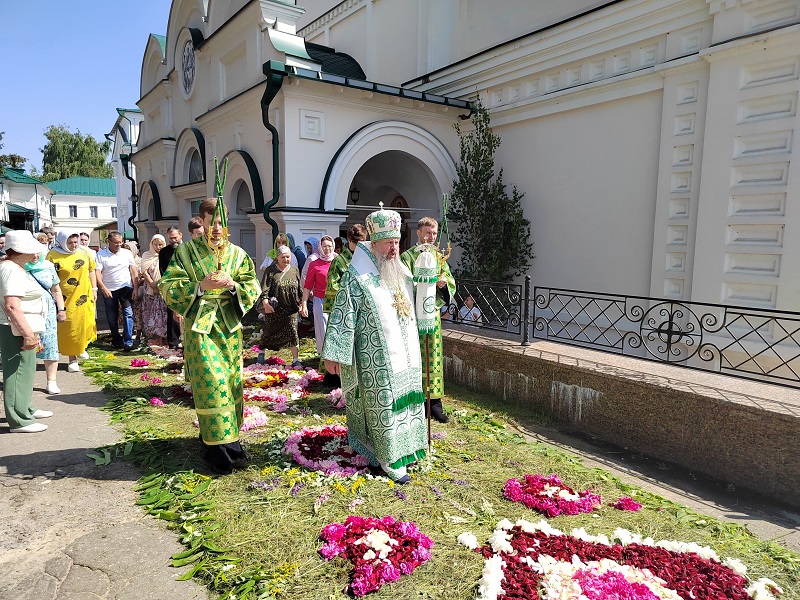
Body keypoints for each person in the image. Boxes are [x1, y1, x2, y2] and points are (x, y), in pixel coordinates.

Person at [322, 205, 427, 483]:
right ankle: (388, 458)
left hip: (406, 355)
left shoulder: (401, 272)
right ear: (374, 242)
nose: (394, 248)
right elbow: (342, 314)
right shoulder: (357, 278)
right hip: (375, 359)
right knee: (384, 405)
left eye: (396, 242)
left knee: (407, 400)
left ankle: (409, 448)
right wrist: (334, 354)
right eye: (388, 243)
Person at [159, 198, 260, 474]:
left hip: (228, 329)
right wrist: (200, 286)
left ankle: (231, 440)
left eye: (222, 223)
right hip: (200, 329)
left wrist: (233, 286)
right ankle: (216, 448)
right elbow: (167, 284)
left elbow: (252, 285)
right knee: (211, 385)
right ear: (201, 222)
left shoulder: (238, 254)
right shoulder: (187, 252)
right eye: (211, 222)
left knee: (229, 382)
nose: (217, 228)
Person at [400, 216, 456, 424]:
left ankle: (435, 404)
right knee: (414, 358)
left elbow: (450, 281)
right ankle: (415, 402)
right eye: (427, 233)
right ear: (418, 232)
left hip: (432, 316)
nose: (431, 237)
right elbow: (402, 283)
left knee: (433, 358)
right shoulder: (407, 257)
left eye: (434, 233)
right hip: (413, 317)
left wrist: (443, 285)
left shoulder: (439, 257)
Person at [0, 231, 53, 433]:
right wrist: (28, 334)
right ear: (19, 250)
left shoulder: (14, 267)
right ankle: (19, 420)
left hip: (22, 327)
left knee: (26, 371)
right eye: (31, 250)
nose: (35, 254)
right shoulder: (11, 269)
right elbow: (12, 306)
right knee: (17, 372)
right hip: (15, 329)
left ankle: (25, 408)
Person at [47, 231, 98, 370]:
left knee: (85, 322)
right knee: (69, 326)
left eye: (76, 242)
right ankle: (72, 358)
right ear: (63, 242)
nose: (74, 245)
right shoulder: (53, 255)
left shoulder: (84, 252)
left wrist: (94, 289)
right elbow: (49, 277)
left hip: (83, 295)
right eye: (70, 243)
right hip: (64, 297)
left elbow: (92, 270)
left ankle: (81, 348)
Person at [25, 251, 66, 394]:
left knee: (50, 344)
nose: (35, 256)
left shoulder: (48, 266)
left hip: (47, 311)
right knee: (29, 344)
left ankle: (51, 381)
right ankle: (25, 381)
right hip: (27, 311)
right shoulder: (19, 267)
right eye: (31, 253)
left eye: (37, 253)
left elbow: (56, 290)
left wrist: (61, 310)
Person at [260, 245, 304, 368]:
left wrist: (301, 302)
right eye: (283, 257)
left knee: (293, 332)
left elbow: (299, 287)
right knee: (269, 331)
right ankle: (261, 353)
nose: (286, 259)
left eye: (288, 257)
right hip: (275, 308)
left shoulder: (294, 270)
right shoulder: (271, 270)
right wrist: (266, 304)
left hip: (291, 308)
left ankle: (295, 360)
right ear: (277, 258)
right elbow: (264, 289)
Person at [96, 231, 138, 351]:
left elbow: (133, 271)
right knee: (111, 316)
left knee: (128, 314)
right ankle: (116, 338)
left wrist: (135, 288)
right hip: (109, 288)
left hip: (125, 287)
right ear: (109, 242)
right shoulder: (101, 255)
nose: (118, 245)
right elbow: (97, 274)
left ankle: (128, 340)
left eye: (120, 242)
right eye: (115, 243)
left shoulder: (127, 253)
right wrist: (103, 288)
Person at [300, 236, 337, 359]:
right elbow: (307, 285)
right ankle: (325, 358)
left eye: (329, 246)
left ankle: (337, 357)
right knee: (323, 329)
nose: (327, 249)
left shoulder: (338, 261)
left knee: (336, 329)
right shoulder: (314, 264)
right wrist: (304, 303)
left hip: (337, 301)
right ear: (320, 248)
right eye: (324, 246)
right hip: (320, 300)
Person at [323, 224, 367, 314]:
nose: (359, 245)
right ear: (349, 240)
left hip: (365, 307)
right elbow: (332, 286)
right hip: (347, 308)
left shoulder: (368, 259)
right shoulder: (338, 261)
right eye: (356, 242)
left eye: (362, 242)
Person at [139, 234, 168, 344]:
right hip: (150, 289)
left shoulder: (165, 254)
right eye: (155, 244)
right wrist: (152, 284)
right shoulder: (147, 255)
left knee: (161, 313)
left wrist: (159, 285)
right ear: (151, 244)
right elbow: (144, 271)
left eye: (160, 244)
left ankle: (162, 337)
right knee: (150, 312)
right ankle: (152, 337)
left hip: (163, 289)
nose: (158, 247)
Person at [159, 226, 184, 349]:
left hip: (187, 285)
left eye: (175, 237)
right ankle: (173, 341)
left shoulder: (187, 249)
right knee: (172, 313)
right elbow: (163, 271)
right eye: (170, 238)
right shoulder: (164, 252)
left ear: (181, 235)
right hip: (172, 286)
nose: (173, 240)